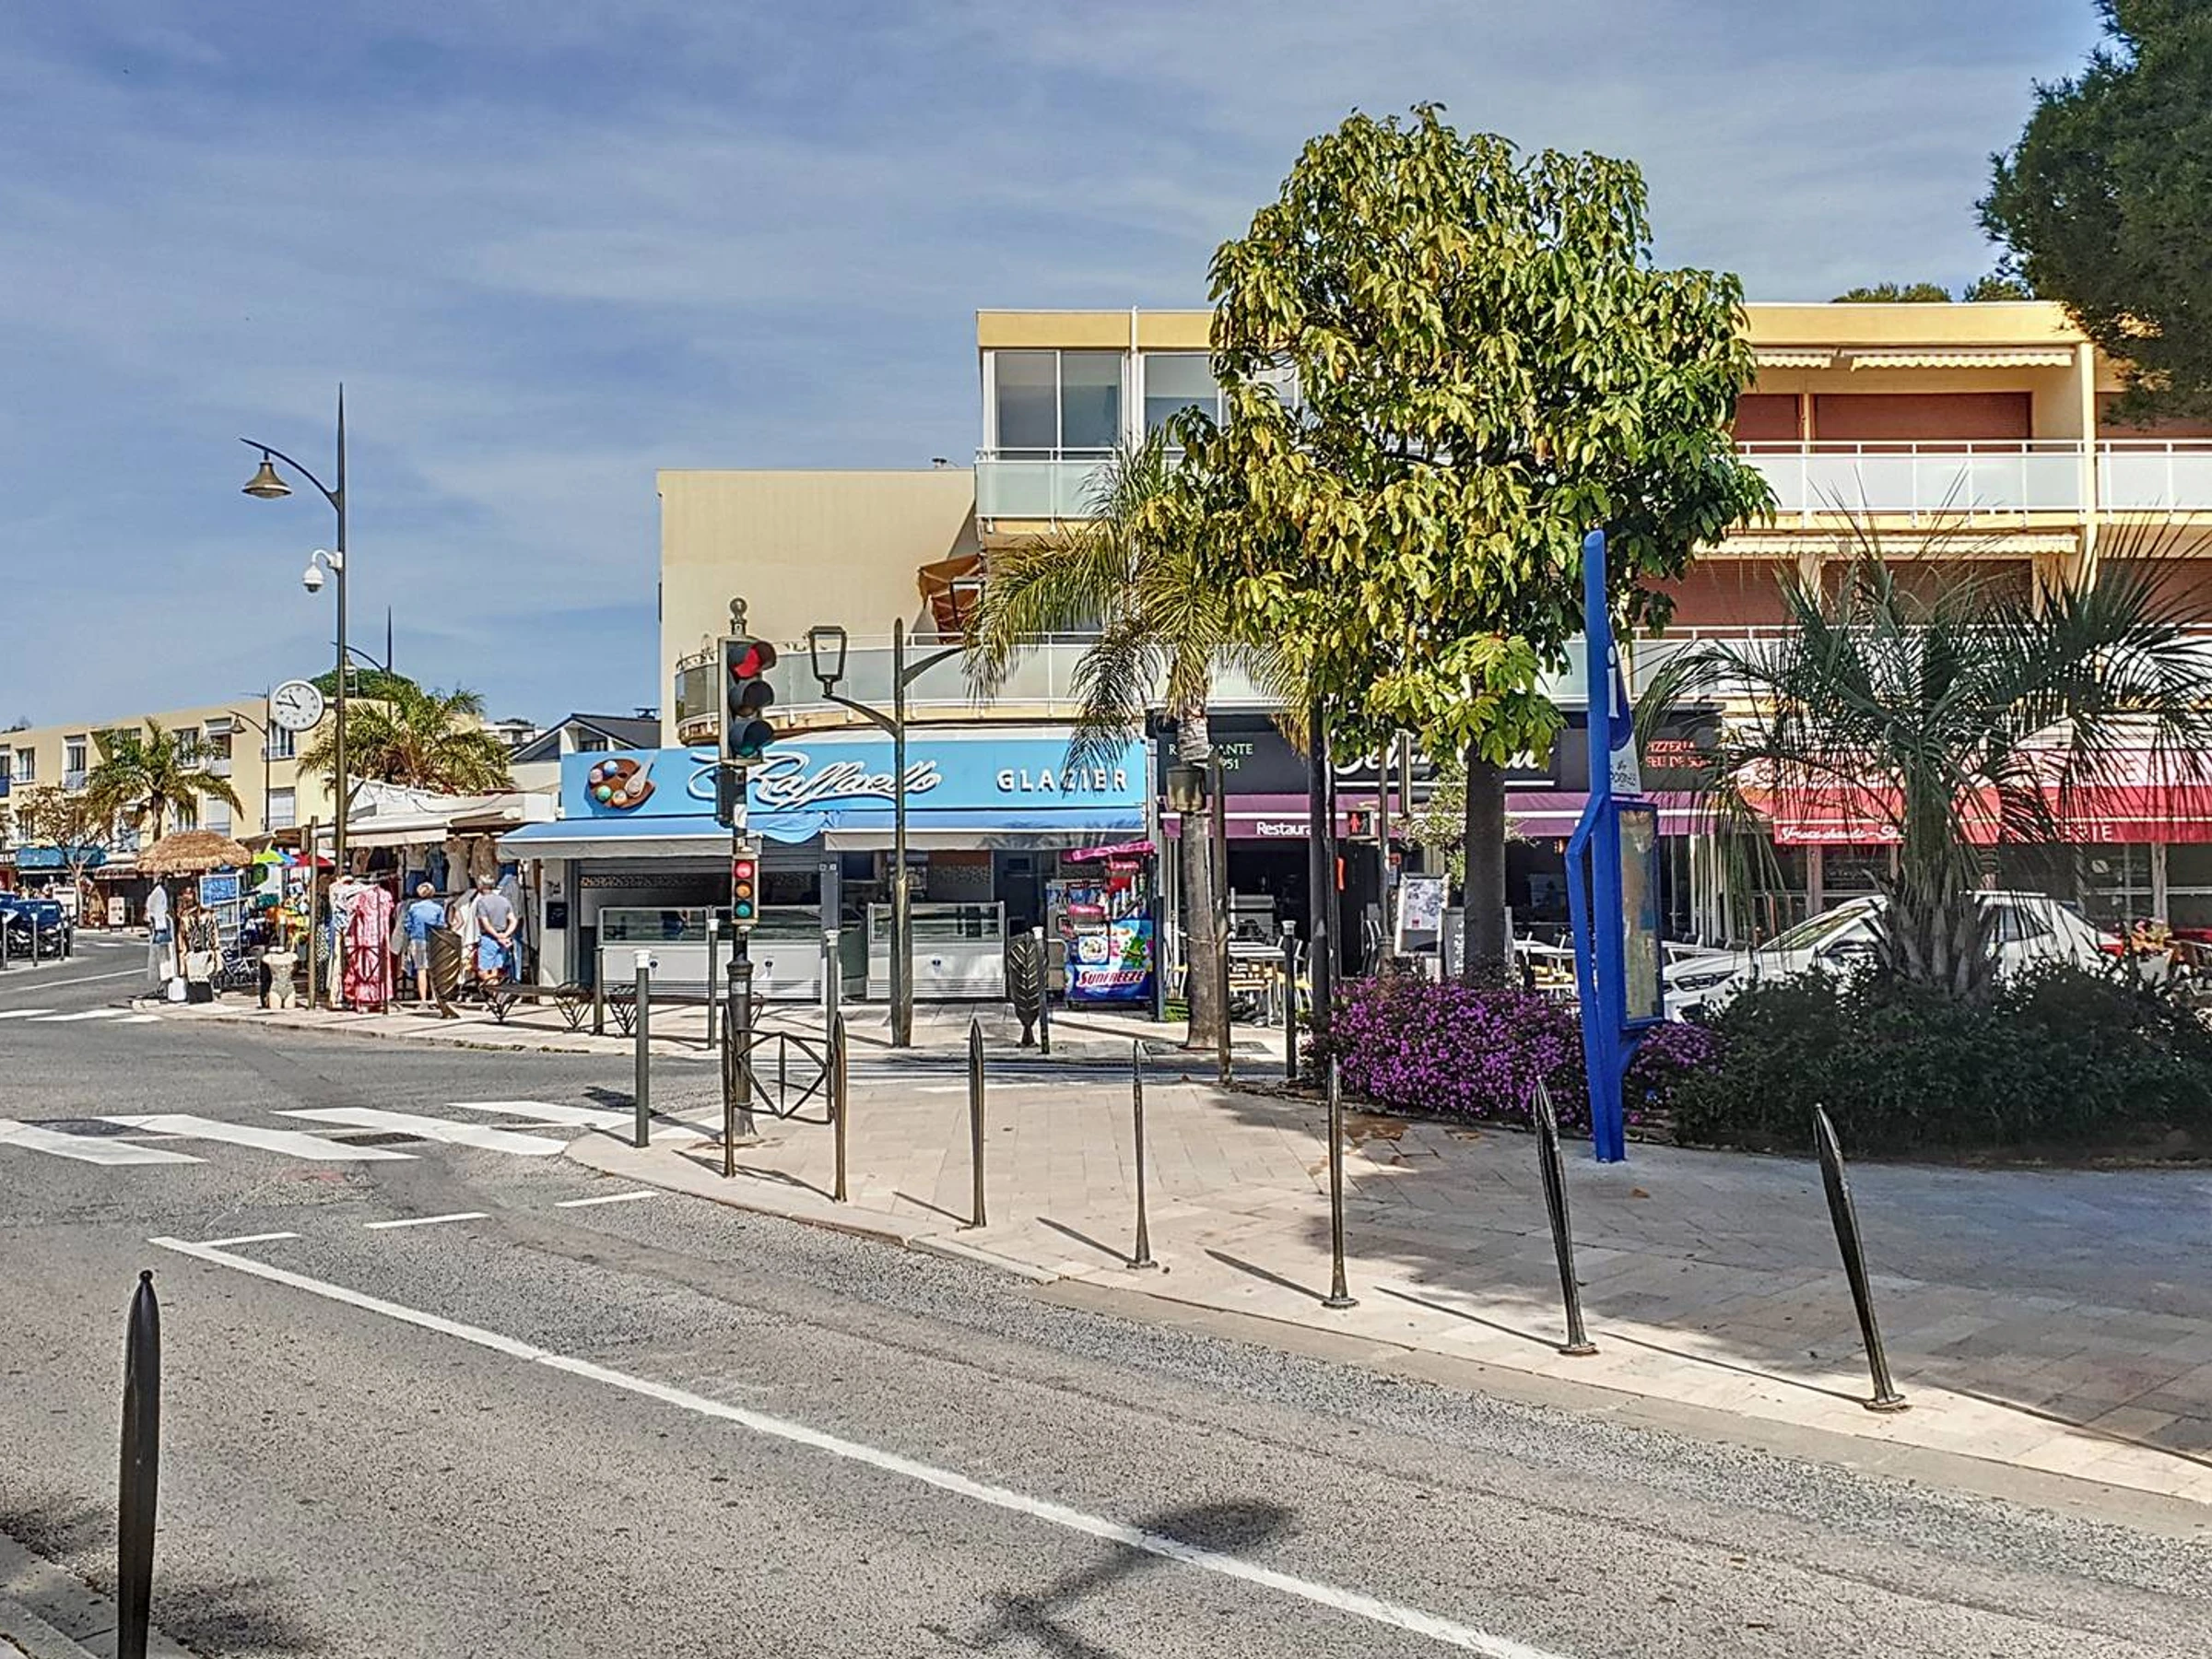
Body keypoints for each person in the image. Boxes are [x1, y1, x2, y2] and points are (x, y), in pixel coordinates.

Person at [471, 874, 518, 988]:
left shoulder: (482, 902)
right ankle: (494, 994)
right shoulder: (504, 900)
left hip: (489, 938)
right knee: (496, 971)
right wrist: (505, 934)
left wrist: (497, 936)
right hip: (503, 938)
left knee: (483, 971)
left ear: (481, 886)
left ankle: (492, 991)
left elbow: (486, 924)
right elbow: (513, 920)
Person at [404, 881, 446, 1006]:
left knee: (421, 970)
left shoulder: (413, 908)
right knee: (434, 970)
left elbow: (407, 925)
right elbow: (441, 925)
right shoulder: (438, 908)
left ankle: (423, 1000)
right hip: (434, 940)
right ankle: (435, 997)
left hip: (417, 939)